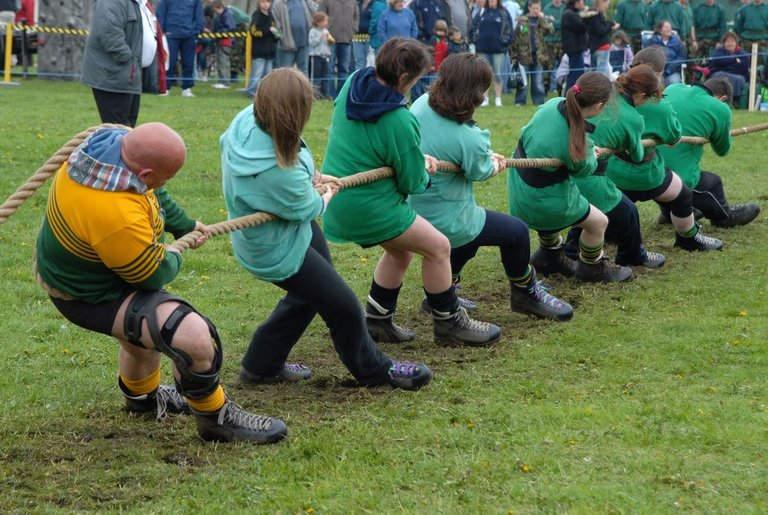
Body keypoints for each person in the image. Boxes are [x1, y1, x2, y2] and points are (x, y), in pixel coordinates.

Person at [34, 123, 286, 444]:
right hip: (87, 294)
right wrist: (173, 253)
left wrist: (183, 226)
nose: (165, 183)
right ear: (147, 172)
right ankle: (216, 420)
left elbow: (153, 189)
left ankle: (143, 399)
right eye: (165, 176)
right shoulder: (116, 212)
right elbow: (150, 274)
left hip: (94, 270)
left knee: (143, 332)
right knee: (191, 336)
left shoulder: (110, 149)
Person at [220, 69, 432, 393]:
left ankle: (261, 365)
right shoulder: (278, 172)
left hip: (291, 229)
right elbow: (310, 207)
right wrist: (327, 190)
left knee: (313, 294)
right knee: (343, 304)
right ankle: (375, 370)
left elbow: (297, 181)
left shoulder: (249, 117)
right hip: (274, 246)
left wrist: (314, 175)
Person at [321, 38, 501, 347]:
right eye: (417, 80)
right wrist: (421, 168)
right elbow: (412, 183)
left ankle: (377, 320)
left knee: (400, 250)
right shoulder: (399, 120)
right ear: (405, 79)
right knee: (439, 247)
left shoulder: (353, 81)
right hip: (370, 205)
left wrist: (414, 159)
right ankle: (449, 323)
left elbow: (370, 145)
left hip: (338, 197)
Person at [410, 53, 574, 320]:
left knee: (474, 234)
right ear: (474, 92)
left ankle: (442, 291)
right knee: (516, 232)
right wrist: (492, 163)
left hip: (414, 207)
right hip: (444, 216)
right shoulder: (468, 137)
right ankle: (525, 292)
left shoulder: (420, 104)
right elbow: (481, 171)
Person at [507, 72, 634, 283]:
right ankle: (592, 267)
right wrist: (591, 155)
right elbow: (584, 170)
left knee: (555, 197)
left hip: (519, 188)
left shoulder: (552, 104)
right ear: (599, 106)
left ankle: (550, 255)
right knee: (598, 222)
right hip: (542, 201)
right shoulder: (579, 145)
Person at [604, 47, 722, 252]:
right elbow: (674, 138)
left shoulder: (610, 97)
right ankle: (688, 238)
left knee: (612, 205)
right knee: (682, 194)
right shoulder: (658, 105)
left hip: (612, 172)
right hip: (645, 173)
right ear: (657, 74)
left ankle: (609, 234)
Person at [564, 64, 667, 269]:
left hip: (570, 166)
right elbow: (637, 155)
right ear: (642, 94)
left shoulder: (605, 94)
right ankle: (632, 256)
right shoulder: (634, 119)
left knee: (589, 210)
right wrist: (630, 142)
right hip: (589, 172)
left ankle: (570, 252)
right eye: (648, 98)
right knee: (628, 212)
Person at [657, 78, 760, 227]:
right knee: (713, 183)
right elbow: (722, 150)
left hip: (650, 170)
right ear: (723, 99)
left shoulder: (672, 88)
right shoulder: (720, 108)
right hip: (675, 179)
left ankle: (669, 212)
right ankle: (724, 217)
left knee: (667, 169)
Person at [510, 0, 554, 106]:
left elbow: (550, 30)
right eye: (533, 8)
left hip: (538, 57)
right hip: (524, 56)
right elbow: (515, 38)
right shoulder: (522, 20)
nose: (535, 10)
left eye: (537, 8)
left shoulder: (542, 21)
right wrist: (514, 55)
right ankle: (520, 101)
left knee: (538, 82)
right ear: (529, 8)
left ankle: (538, 102)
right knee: (523, 82)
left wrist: (542, 19)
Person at [470, 0, 513, 107]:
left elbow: (509, 29)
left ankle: (498, 98)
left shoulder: (503, 12)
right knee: (484, 75)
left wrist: (504, 42)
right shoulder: (481, 12)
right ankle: (485, 98)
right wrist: (477, 41)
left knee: (498, 74)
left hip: (499, 50)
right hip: (482, 50)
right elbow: (473, 28)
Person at [157, 0, 204, 97]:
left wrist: (197, 30)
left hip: (189, 35)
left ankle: (187, 88)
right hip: (171, 34)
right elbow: (161, 12)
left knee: (188, 63)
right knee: (169, 63)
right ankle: (165, 88)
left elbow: (199, 14)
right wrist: (161, 29)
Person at [318, 0, 358, 96]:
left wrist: (353, 29)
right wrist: (326, 33)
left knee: (344, 69)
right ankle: (330, 95)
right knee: (330, 69)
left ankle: (342, 95)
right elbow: (320, 15)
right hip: (330, 41)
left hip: (346, 40)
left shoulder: (353, 1)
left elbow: (356, 17)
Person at [246, 0, 280, 98]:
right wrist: (267, 30)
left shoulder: (271, 15)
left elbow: (274, 29)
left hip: (269, 51)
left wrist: (276, 35)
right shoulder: (257, 15)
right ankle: (251, 92)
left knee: (267, 75)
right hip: (259, 51)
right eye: (263, 2)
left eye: (267, 2)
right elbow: (253, 31)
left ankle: (266, 93)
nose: (265, 4)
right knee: (256, 74)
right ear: (259, 3)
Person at [273, 0, 315, 76]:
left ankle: (303, 88)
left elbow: (315, 14)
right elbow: (275, 21)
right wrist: (281, 37)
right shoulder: (278, 3)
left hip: (304, 43)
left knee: (303, 71)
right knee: (285, 72)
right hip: (286, 44)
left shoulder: (305, 1)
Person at [708, 32, 751, 105]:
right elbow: (717, 61)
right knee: (719, 76)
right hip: (720, 73)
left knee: (739, 79)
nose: (730, 44)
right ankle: (718, 99)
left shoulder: (742, 53)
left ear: (736, 43)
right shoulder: (719, 51)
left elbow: (744, 65)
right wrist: (734, 60)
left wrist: (725, 65)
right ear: (724, 43)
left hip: (738, 75)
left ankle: (735, 101)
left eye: (732, 41)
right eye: (727, 42)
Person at [561, 0, 589, 90]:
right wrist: (587, 16)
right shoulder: (570, 14)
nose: (583, 4)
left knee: (578, 72)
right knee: (575, 73)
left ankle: (573, 93)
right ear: (576, 3)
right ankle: (569, 94)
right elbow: (582, 26)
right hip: (574, 48)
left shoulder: (571, 13)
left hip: (576, 48)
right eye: (582, 2)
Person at [585, 0, 617, 78]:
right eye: (607, 4)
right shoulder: (597, 14)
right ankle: (599, 89)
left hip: (593, 47)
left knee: (594, 72)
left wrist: (609, 23)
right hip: (601, 47)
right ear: (602, 2)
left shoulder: (590, 14)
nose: (607, 6)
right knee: (601, 73)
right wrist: (610, 25)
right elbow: (601, 31)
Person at [648, 20, 686, 85]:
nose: (669, 29)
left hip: (672, 71)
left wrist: (669, 69)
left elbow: (681, 57)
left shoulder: (677, 41)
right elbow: (648, 57)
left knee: (674, 82)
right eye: (666, 27)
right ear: (659, 30)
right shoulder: (651, 41)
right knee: (656, 84)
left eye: (670, 28)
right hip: (657, 71)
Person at [210, 0, 236, 89]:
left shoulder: (227, 15)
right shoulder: (223, 15)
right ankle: (222, 80)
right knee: (222, 61)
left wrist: (219, 32)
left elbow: (231, 28)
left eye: (215, 10)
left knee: (223, 61)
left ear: (219, 8)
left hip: (225, 41)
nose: (215, 12)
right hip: (221, 41)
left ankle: (224, 82)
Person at [308, 11, 333, 98]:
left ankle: (324, 95)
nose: (326, 23)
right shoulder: (312, 31)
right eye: (324, 21)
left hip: (325, 56)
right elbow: (311, 43)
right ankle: (315, 95)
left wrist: (330, 41)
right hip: (315, 56)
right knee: (316, 77)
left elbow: (329, 43)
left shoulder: (326, 31)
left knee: (325, 76)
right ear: (318, 22)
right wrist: (320, 37)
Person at [543, 0, 566, 92]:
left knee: (562, 66)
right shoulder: (547, 9)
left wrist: (554, 22)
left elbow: (564, 23)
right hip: (549, 42)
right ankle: (546, 88)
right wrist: (558, 23)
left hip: (562, 41)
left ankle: (559, 88)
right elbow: (547, 25)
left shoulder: (565, 8)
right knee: (548, 66)